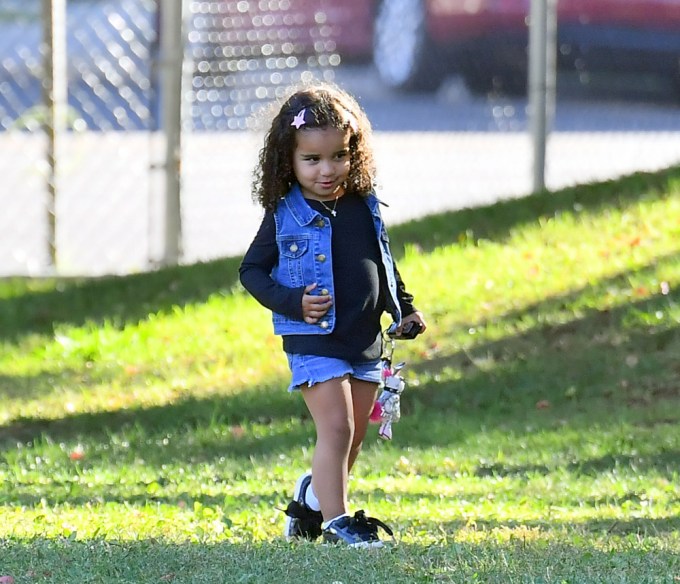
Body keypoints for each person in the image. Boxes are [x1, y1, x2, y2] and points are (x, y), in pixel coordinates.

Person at [239, 82, 426, 548]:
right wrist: (292, 301)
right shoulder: (285, 214)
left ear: (353, 153)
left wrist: (403, 308)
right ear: (289, 159)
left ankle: (311, 501)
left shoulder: (363, 205)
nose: (327, 170)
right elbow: (251, 271)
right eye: (312, 160)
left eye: (338, 156)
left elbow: (382, 262)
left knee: (355, 435)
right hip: (314, 338)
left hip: (363, 337)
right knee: (336, 428)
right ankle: (338, 522)